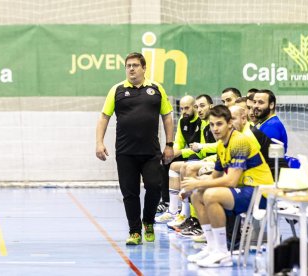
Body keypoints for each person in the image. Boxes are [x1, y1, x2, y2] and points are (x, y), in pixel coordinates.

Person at [96, 52, 174, 245]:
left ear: (144, 68)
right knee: (129, 193)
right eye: (128, 65)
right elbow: (104, 117)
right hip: (125, 152)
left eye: (135, 65)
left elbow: (167, 116)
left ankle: (148, 221)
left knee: (154, 187)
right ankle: (134, 232)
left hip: (151, 151)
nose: (131, 68)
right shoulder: (117, 90)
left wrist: (169, 145)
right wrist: (99, 142)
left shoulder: (156, 89)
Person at [181, 105, 273, 268]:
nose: (215, 129)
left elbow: (230, 180)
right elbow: (216, 176)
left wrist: (199, 182)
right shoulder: (221, 144)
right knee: (197, 194)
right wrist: (191, 186)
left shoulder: (239, 141)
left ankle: (223, 253)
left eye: (219, 124)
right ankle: (212, 247)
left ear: (229, 123)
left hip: (261, 192)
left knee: (211, 195)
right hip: (245, 189)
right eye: (212, 124)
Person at [157, 95, 202, 215]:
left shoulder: (201, 121)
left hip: (200, 155)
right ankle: (166, 201)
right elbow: (179, 142)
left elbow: (202, 149)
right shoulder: (183, 120)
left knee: (185, 164)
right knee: (166, 160)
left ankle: (186, 211)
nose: (183, 111)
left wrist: (181, 152)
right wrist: (173, 151)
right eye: (181, 109)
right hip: (189, 153)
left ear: (195, 107)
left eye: (186, 108)